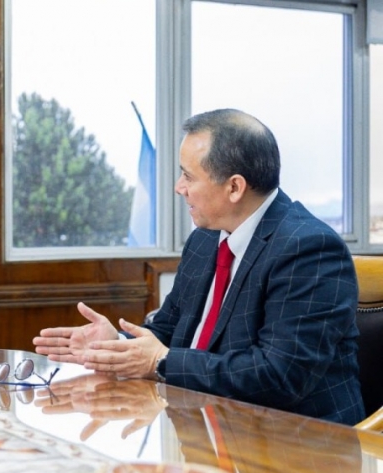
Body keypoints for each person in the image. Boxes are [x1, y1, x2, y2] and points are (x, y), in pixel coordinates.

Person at [33, 108, 364, 425]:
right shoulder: (205, 240)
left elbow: (279, 376)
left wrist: (160, 361)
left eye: (188, 176)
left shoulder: (309, 249)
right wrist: (118, 346)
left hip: (301, 447)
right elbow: (170, 330)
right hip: (207, 426)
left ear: (234, 187)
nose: (179, 187)